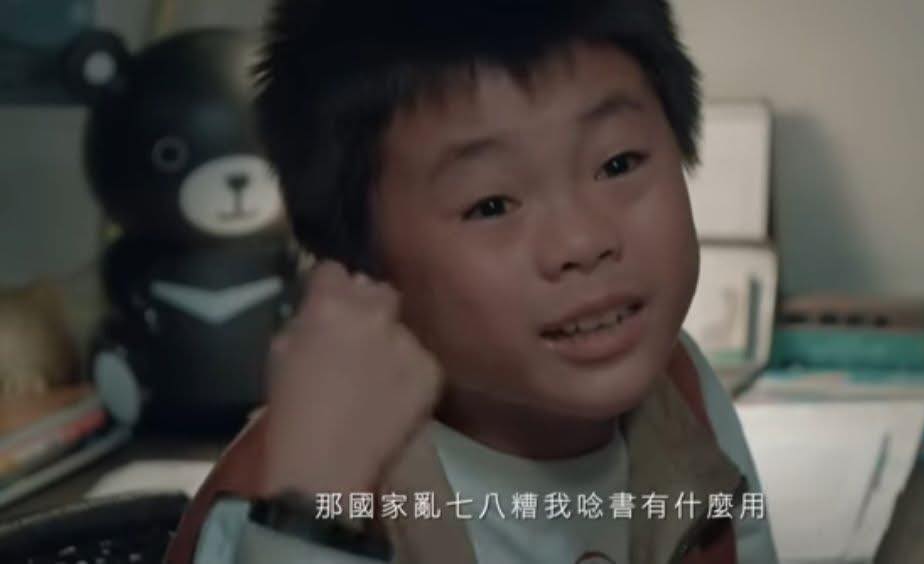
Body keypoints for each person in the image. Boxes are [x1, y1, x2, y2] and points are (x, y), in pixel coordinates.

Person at [167, 0, 779, 562]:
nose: (582, 242)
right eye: (492, 205)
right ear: (358, 267)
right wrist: (309, 517)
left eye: (617, 164)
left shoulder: (683, 393)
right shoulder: (283, 501)